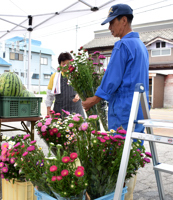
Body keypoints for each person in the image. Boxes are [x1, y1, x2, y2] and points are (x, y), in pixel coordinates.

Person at [81, 4, 149, 200]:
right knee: (133, 154)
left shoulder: (123, 45)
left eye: (112, 22)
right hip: (140, 107)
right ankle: (129, 194)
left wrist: (94, 99)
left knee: (119, 155)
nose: (110, 27)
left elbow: (113, 78)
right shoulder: (141, 46)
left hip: (124, 106)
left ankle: (119, 195)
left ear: (124, 20)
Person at [45, 52, 84, 117]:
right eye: (63, 64)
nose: (66, 66)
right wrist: (48, 109)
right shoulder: (54, 76)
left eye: (68, 64)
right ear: (60, 65)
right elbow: (49, 95)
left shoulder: (77, 75)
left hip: (76, 111)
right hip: (59, 112)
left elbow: (83, 91)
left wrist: (79, 95)